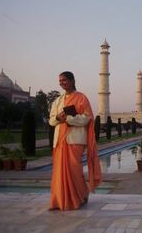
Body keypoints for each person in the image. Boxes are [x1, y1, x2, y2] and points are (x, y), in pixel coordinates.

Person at [49, 71, 102, 211]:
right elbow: (51, 120)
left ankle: (81, 195)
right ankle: (59, 201)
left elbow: (87, 118)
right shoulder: (58, 101)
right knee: (59, 172)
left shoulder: (81, 98)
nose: (61, 83)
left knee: (74, 169)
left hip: (75, 140)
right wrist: (58, 119)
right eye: (60, 80)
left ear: (72, 81)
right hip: (60, 140)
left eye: (64, 80)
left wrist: (69, 119)